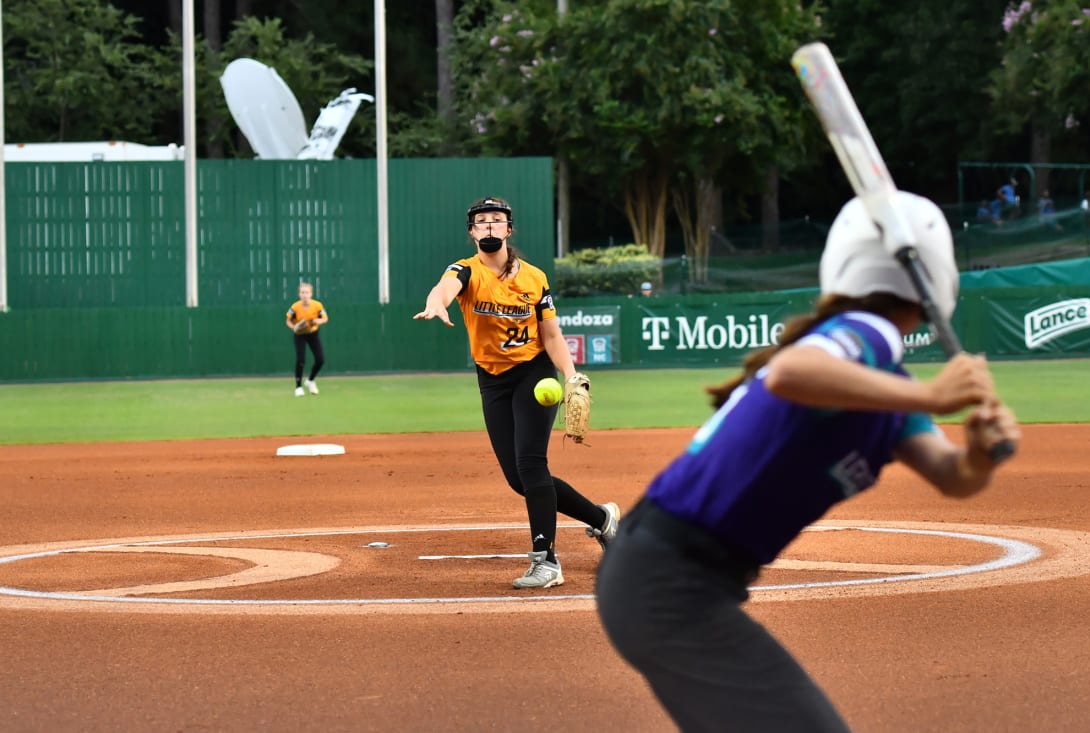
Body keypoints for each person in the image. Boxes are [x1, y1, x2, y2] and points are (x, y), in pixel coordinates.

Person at [595, 192, 1020, 732]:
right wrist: (934, 398)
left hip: (667, 580)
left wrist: (979, 456)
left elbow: (952, 476)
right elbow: (793, 373)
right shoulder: (865, 337)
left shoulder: (886, 381)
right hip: (669, 582)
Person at [413, 195, 620, 589]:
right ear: (472, 232)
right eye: (481, 221)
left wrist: (573, 375)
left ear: (509, 229)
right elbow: (444, 287)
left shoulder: (534, 278)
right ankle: (602, 519)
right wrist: (435, 303)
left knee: (530, 464)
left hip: (535, 374)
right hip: (491, 379)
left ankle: (546, 561)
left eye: (497, 220)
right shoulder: (466, 271)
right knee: (518, 478)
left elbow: (552, 335)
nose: (489, 226)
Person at [285, 282, 328, 396]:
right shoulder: (295, 307)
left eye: (307, 292)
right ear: (299, 294)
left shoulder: (317, 305)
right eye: (302, 292)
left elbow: (325, 317)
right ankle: (298, 387)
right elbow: (288, 320)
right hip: (300, 335)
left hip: (313, 333)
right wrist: (294, 327)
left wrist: (320, 321)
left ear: (311, 294)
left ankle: (310, 381)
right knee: (301, 360)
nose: (305, 295)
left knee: (320, 360)